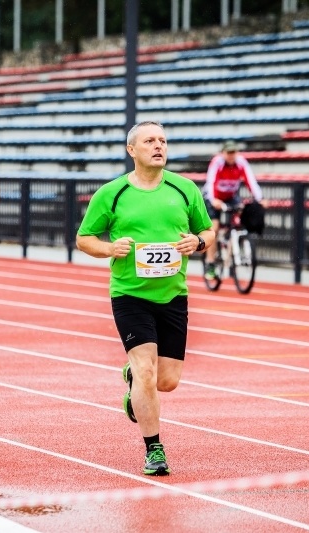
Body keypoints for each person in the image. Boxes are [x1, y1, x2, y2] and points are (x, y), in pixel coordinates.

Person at [76, 121, 214, 476]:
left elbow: (208, 230)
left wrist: (197, 243)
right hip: (129, 295)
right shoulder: (112, 193)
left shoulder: (184, 189)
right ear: (132, 150)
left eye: (163, 140)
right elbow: (84, 238)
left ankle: (133, 380)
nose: (158, 146)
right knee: (146, 371)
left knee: (166, 381)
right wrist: (109, 248)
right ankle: (154, 450)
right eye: (150, 140)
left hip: (173, 295)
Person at [202, 140, 263, 280]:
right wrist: (213, 200)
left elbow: (251, 181)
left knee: (241, 218)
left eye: (233, 152)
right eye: (228, 152)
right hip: (213, 197)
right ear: (223, 153)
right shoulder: (217, 163)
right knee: (214, 228)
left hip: (231, 196)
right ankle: (210, 263)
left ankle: (233, 246)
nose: (231, 155)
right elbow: (210, 182)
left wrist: (260, 198)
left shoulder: (241, 162)